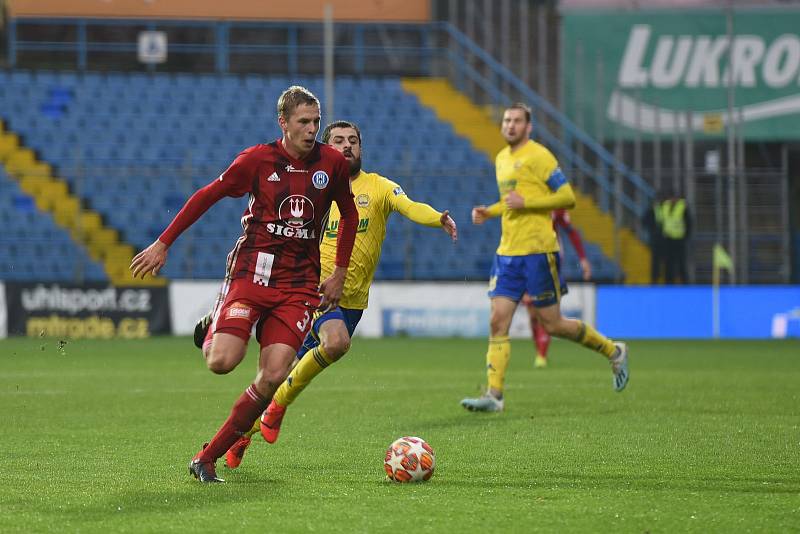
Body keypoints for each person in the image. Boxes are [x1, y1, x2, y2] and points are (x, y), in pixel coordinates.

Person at [130, 86, 359, 483]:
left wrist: (338, 272)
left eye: (316, 121)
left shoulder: (332, 165)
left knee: (273, 377)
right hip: (253, 272)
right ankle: (213, 328)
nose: (311, 129)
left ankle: (207, 458)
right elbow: (207, 195)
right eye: (303, 122)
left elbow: (350, 216)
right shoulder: (256, 160)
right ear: (283, 123)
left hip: (300, 285)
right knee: (222, 363)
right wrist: (163, 243)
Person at [221, 120, 458, 469]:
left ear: (361, 147)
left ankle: (240, 434)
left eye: (353, 141)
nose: (346, 146)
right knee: (336, 343)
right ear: (326, 147)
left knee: (277, 378)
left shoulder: (379, 188)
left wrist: (438, 218)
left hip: (353, 302)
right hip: (313, 289)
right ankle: (274, 412)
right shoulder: (313, 188)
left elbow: (410, 206)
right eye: (338, 141)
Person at [460, 103, 629, 413]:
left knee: (553, 324)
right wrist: (491, 210)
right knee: (498, 320)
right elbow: (510, 202)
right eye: (507, 120)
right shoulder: (501, 159)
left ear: (528, 127)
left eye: (517, 121)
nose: (510, 125)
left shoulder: (540, 156)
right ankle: (494, 395)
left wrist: (528, 202)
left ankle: (613, 350)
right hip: (507, 252)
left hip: (538, 252)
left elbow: (568, 197)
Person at [523, 208, 592, 369]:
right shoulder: (524, 197)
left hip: (550, 261)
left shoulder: (555, 202)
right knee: (533, 313)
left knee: (546, 313)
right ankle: (539, 351)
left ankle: (541, 355)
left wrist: (583, 259)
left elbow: (571, 232)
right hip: (526, 258)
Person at [660, 190, 692, 284]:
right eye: (671, 198)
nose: (673, 200)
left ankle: (684, 282)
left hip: (679, 239)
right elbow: (662, 222)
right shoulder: (664, 207)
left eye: (674, 198)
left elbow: (688, 223)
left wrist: (686, 236)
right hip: (668, 239)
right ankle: (669, 282)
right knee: (668, 262)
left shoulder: (682, 207)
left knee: (681, 261)